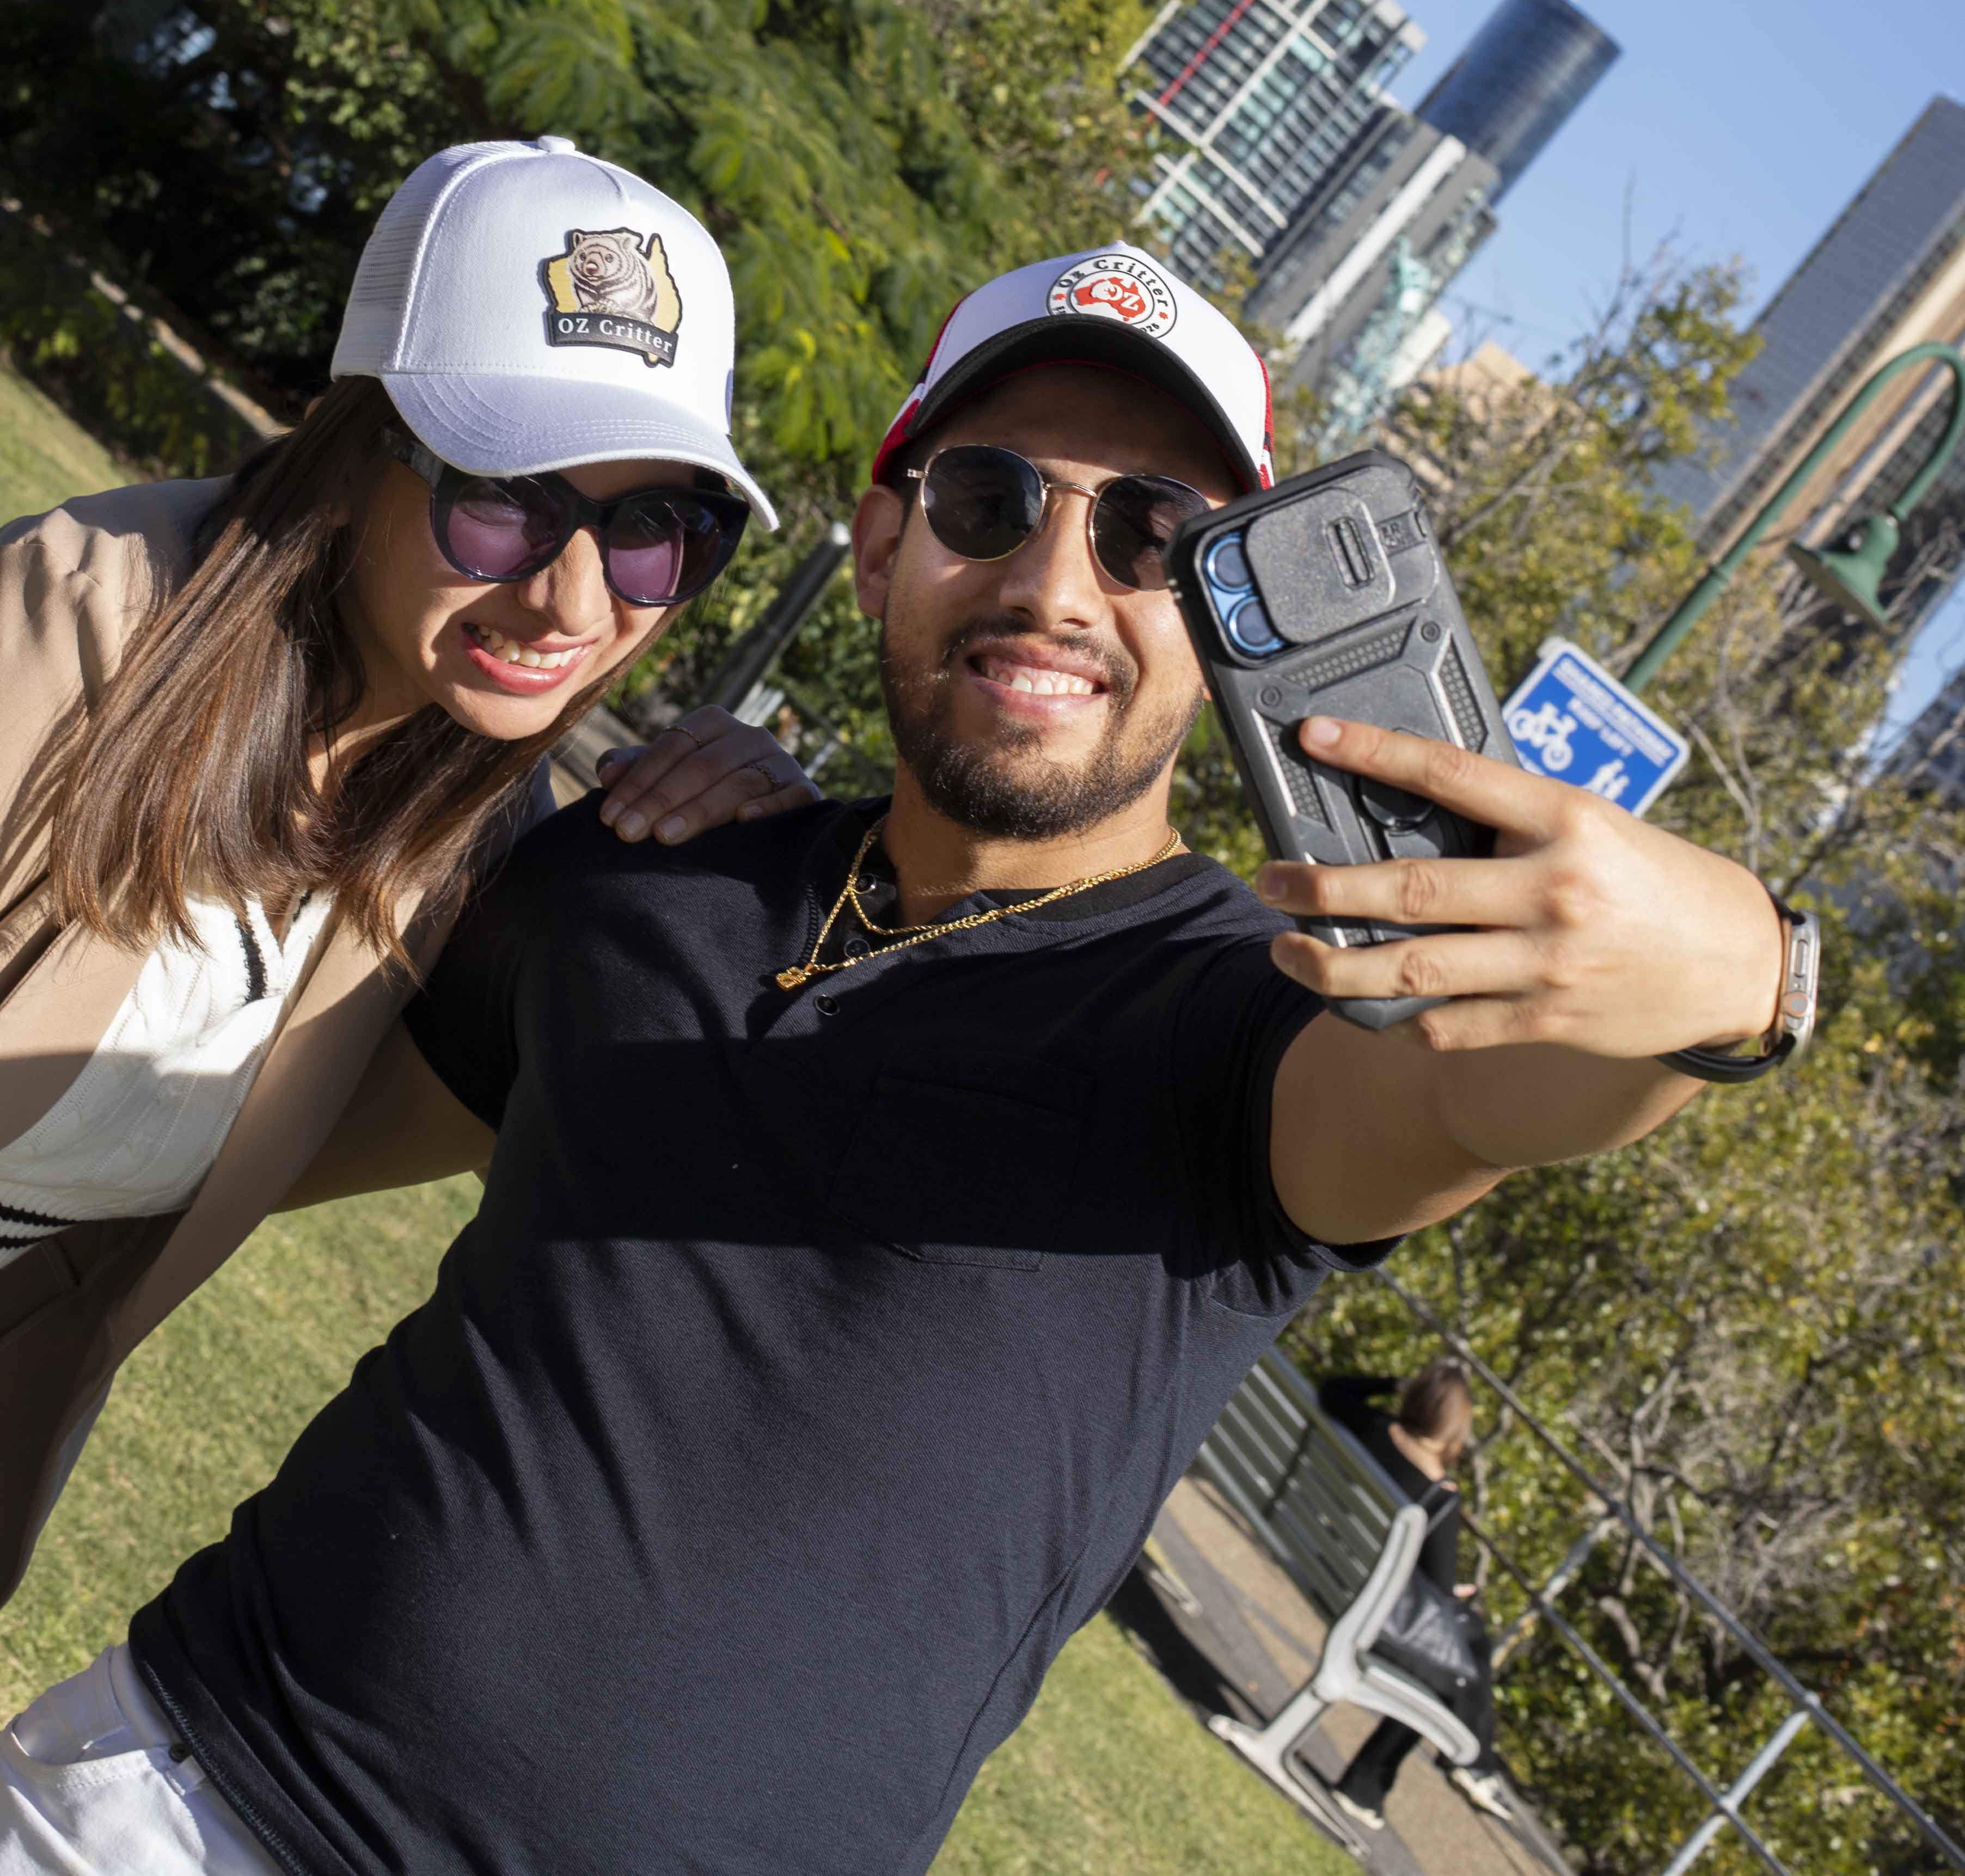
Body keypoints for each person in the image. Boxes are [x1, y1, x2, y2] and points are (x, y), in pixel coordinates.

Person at [0, 246, 1802, 1876]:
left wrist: (1727, 974)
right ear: (879, 541)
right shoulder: (647, 874)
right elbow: (229, 1124)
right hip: (153, 1791)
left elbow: (1492, 1092)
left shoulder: (1259, 1021)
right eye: (986, 497)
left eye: (1151, 536)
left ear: (1228, 613)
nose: (1050, 581)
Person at [0, 135, 812, 1607]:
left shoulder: (476, 841)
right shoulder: (69, 628)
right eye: (506, 498)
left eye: (653, 532)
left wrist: (752, 859)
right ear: (360, 443)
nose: (572, 596)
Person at [1320, 1359, 1510, 1831]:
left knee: (1470, 1645)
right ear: (1455, 1427)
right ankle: (1465, 1761)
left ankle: (1472, 1762)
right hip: (1369, 1609)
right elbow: (1439, 1590)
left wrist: (1392, 1382)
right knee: (1462, 1658)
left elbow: (1334, 1386)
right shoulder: (1439, 1493)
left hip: (1328, 1565)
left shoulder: (1371, 1425)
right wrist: (1459, 1591)